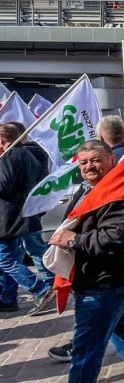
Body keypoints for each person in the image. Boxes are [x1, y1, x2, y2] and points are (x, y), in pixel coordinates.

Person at [46, 140, 124, 382]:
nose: (89, 166)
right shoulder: (87, 189)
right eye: (84, 162)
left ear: (111, 160)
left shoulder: (120, 191)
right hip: (105, 282)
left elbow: (114, 237)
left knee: (85, 351)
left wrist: (73, 240)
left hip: (104, 284)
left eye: (95, 160)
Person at [0, 123, 55, 315]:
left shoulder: (12, 155)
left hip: (10, 217)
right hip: (19, 216)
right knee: (13, 256)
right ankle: (8, 297)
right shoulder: (25, 154)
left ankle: (41, 288)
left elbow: (4, 185)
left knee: (6, 259)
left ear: (1, 140)